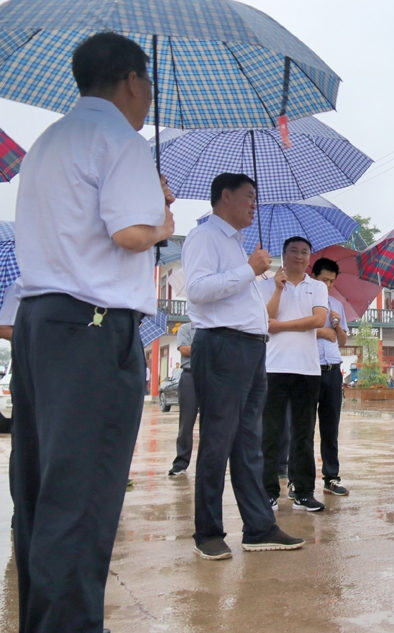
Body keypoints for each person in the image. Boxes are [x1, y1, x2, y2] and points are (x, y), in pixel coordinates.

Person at [11, 32, 174, 632]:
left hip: (40, 323)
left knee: (41, 490)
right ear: (131, 80)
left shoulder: (48, 141)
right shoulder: (120, 141)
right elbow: (130, 234)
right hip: (93, 328)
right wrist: (163, 220)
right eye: (148, 83)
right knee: (82, 497)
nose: (149, 96)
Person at [182, 172, 303, 560]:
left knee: (249, 443)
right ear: (226, 196)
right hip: (222, 346)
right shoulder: (204, 236)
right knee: (217, 440)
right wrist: (249, 270)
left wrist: (252, 270)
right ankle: (208, 532)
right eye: (249, 196)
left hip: (251, 350)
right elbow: (197, 290)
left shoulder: (238, 245)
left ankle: (258, 527)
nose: (254, 204)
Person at [259, 237, 328, 512]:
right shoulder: (266, 284)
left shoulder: (318, 286)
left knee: (304, 434)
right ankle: (267, 493)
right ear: (283, 255)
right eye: (293, 251)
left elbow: (318, 320)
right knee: (270, 434)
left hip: (307, 369)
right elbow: (264, 322)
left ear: (309, 257)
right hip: (273, 367)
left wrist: (281, 326)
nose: (299, 256)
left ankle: (303, 492)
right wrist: (278, 289)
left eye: (304, 252)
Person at [311, 257, 352, 496]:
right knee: (304, 428)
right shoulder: (303, 303)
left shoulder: (336, 304)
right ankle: (299, 481)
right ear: (313, 277)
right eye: (324, 280)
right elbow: (293, 331)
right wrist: (320, 332)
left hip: (333, 371)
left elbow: (342, 341)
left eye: (331, 281)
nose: (327, 285)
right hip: (309, 369)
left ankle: (331, 477)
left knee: (330, 428)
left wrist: (336, 325)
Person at [168, 320, 198, 476]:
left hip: (211, 376)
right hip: (190, 376)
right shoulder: (185, 328)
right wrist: (208, 348)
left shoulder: (215, 329)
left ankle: (208, 462)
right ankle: (181, 462)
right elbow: (184, 350)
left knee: (212, 423)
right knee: (186, 422)